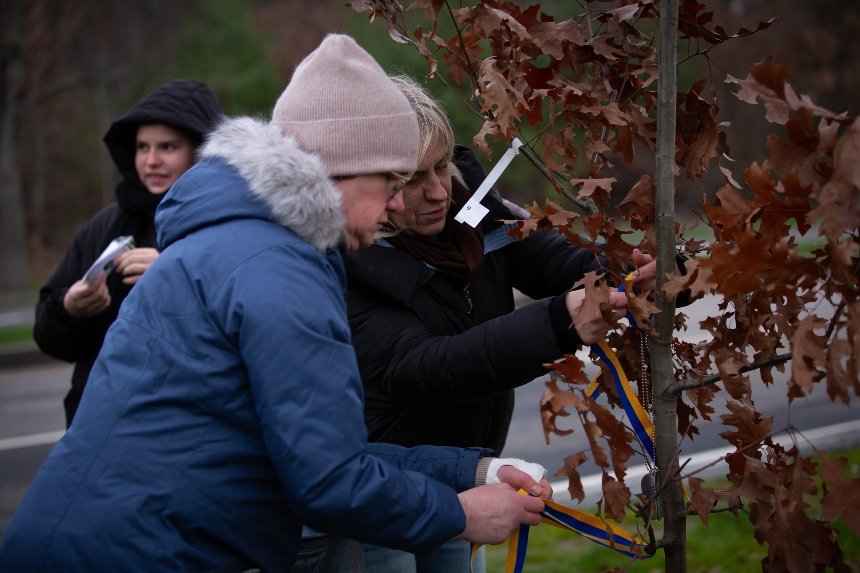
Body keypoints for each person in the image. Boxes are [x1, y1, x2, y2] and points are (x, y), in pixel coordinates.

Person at [0, 35, 551, 573]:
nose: (400, 202)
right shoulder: (278, 271)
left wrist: (471, 471)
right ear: (340, 169)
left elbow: (301, 454)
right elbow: (329, 482)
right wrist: (458, 513)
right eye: (390, 180)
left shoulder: (241, 244)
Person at [343, 75, 659, 573]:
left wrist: (634, 270)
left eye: (442, 167)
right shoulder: (349, 257)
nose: (436, 191)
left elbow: (562, 262)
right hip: (381, 491)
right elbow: (425, 367)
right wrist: (560, 321)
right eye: (409, 180)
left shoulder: (479, 217)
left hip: (468, 474)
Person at [33, 79, 224, 427]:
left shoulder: (225, 223)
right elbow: (49, 336)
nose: (151, 161)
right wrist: (69, 309)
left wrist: (175, 275)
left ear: (201, 149)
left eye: (168, 147)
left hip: (185, 425)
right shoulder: (106, 225)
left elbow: (244, 324)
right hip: (96, 421)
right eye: (142, 147)